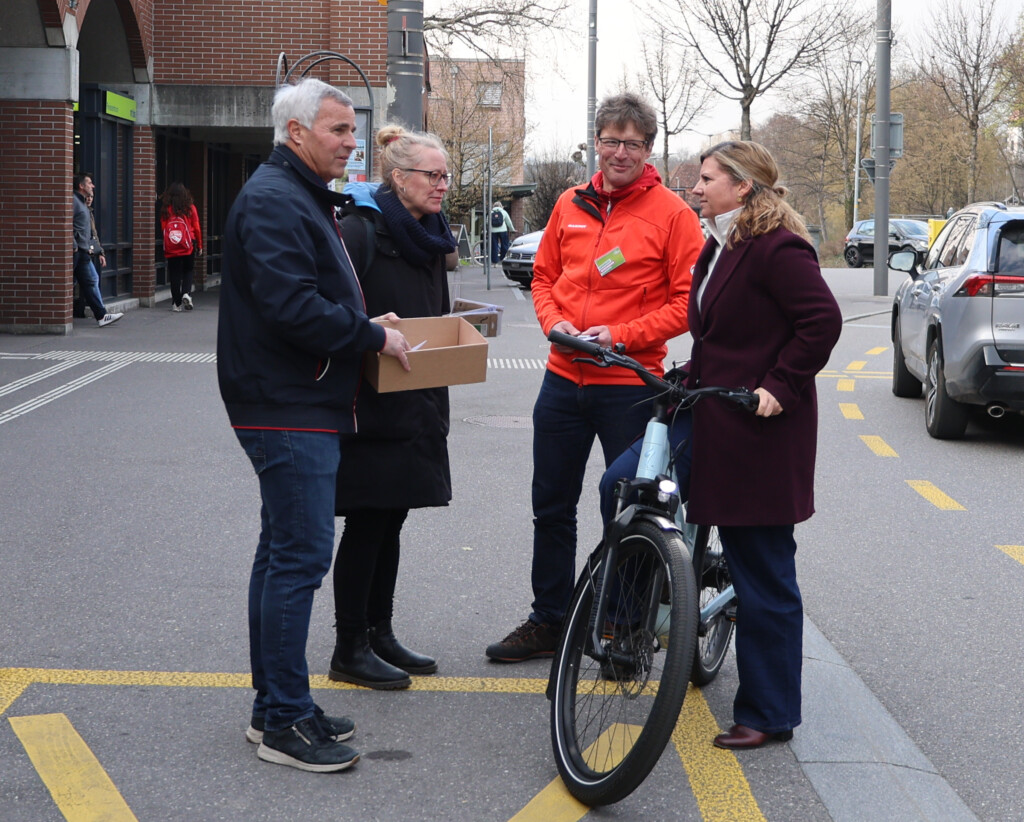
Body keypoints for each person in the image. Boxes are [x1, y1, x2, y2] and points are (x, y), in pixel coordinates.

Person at [600, 140, 842, 749]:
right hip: (705, 411)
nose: (696, 187)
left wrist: (779, 387)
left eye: (707, 179)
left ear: (743, 186)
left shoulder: (778, 248)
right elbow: (720, 335)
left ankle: (769, 712)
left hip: (757, 431)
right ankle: (635, 620)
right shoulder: (718, 243)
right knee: (622, 485)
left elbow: (821, 322)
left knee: (764, 574)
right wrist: (684, 376)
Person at [217, 77, 413, 773]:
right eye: (338, 129)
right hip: (288, 405)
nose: (352, 141)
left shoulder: (292, 192)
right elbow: (292, 307)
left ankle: (275, 704)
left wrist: (361, 321)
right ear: (296, 133)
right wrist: (371, 335)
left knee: (281, 555)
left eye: (352, 129)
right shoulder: (277, 198)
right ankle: (284, 723)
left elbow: (303, 296)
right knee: (298, 559)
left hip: (290, 399)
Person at [485, 93, 704, 662]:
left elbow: (688, 304)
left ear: (648, 149)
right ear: (596, 144)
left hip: (629, 382)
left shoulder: (673, 215)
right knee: (551, 506)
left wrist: (621, 336)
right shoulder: (569, 203)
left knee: (630, 511)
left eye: (632, 143)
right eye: (611, 141)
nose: (620, 152)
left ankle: (624, 629)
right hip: (562, 381)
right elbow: (543, 277)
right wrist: (553, 323)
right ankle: (550, 620)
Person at [327, 125, 457, 690]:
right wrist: (368, 331)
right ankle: (349, 646)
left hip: (417, 396)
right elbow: (330, 308)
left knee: (393, 517)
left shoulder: (428, 235)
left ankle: (380, 633)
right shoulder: (360, 229)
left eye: (446, 176)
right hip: (371, 400)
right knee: (368, 520)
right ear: (399, 178)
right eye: (432, 175)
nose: (442, 185)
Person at [72, 173, 122, 327]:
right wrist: (73, 245)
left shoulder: (83, 204)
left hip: (84, 252)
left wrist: (97, 250)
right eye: (89, 183)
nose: (92, 186)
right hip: (76, 252)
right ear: (81, 186)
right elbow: (65, 223)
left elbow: (90, 231)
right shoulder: (73, 201)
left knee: (91, 281)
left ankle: (102, 316)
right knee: (69, 283)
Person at [159, 182, 203, 312]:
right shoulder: (190, 208)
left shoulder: (166, 209)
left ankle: (176, 304)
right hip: (188, 243)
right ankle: (186, 293)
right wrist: (199, 245)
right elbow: (197, 228)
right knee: (188, 270)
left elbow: (163, 228)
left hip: (172, 245)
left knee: (174, 274)